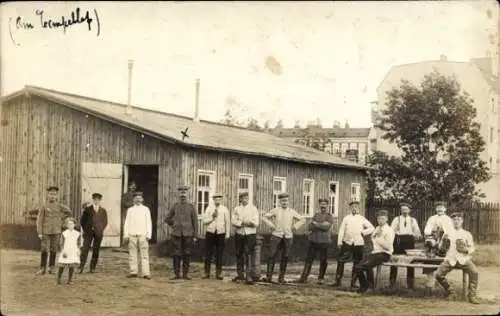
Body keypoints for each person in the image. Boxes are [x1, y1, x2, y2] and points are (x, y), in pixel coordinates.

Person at [435, 212, 479, 304]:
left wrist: (466, 250)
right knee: (438, 275)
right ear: (451, 221)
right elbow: (440, 248)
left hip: (463, 259)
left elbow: (472, 248)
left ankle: (472, 296)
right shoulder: (447, 233)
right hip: (450, 259)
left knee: (474, 272)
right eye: (454, 220)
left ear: (462, 221)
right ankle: (451, 291)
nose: (456, 222)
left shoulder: (466, 234)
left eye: (458, 220)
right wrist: (443, 242)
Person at [261, 193, 305, 283]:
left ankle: (281, 278)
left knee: (285, 256)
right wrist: (271, 225)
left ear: (288, 201)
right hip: (276, 236)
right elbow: (264, 217)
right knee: (272, 255)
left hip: (288, 237)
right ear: (279, 202)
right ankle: (269, 277)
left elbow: (303, 219)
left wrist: (295, 227)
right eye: (283, 201)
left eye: (286, 201)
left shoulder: (292, 211)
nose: (285, 202)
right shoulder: (275, 210)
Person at [333, 200, 374, 288]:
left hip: (358, 244)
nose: (354, 208)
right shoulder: (346, 218)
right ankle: (337, 281)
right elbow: (341, 230)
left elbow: (372, 228)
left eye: (356, 207)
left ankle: (353, 282)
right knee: (341, 261)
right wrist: (339, 242)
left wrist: (364, 232)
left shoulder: (362, 218)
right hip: (347, 243)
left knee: (357, 263)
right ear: (350, 208)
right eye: (352, 207)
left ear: (358, 208)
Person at [354, 209, 395, 293]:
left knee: (367, 265)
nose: (380, 220)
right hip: (375, 253)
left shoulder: (389, 230)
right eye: (379, 218)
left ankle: (371, 287)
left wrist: (378, 238)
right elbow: (373, 240)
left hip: (385, 254)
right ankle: (363, 286)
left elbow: (387, 246)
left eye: (382, 218)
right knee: (358, 267)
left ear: (387, 219)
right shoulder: (376, 228)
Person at [36, 186, 73, 275]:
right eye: (51, 194)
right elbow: (39, 220)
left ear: (57, 196)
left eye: (54, 194)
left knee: (54, 249)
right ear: (48, 195)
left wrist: (61, 219)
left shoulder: (59, 206)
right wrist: (40, 232)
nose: (53, 196)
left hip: (56, 231)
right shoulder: (44, 206)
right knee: (44, 249)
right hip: (45, 231)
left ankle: (51, 268)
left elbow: (69, 212)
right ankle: (42, 268)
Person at [165, 185, 198, 280]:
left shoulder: (191, 207)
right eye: (181, 193)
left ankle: (185, 274)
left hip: (188, 234)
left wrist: (195, 235)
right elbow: (167, 219)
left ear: (187, 194)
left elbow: (195, 222)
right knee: (176, 253)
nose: (183, 195)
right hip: (176, 234)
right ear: (178, 195)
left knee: (187, 253)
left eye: (184, 193)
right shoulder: (175, 206)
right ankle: (176, 274)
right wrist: (174, 224)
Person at [297, 198, 334, 285]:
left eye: (325, 204)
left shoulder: (329, 216)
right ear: (319, 205)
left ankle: (320, 278)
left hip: (324, 242)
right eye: (321, 204)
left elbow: (326, 227)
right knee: (309, 259)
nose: (323, 206)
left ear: (327, 205)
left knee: (323, 260)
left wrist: (316, 224)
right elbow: (310, 227)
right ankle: (304, 277)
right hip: (313, 240)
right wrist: (319, 225)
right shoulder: (316, 215)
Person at [389, 201, 422, 289]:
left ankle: (410, 284)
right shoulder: (396, 219)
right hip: (399, 240)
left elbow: (417, 231)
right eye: (403, 209)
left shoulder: (412, 220)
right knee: (395, 260)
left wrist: (417, 235)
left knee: (411, 261)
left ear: (409, 210)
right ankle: (392, 283)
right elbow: (391, 230)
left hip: (409, 241)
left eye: (406, 209)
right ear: (400, 210)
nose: (404, 211)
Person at [232, 192, 259, 284]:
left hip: (250, 235)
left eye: (247, 198)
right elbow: (234, 221)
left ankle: (249, 276)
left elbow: (255, 222)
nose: (245, 200)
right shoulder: (237, 209)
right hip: (239, 234)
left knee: (248, 254)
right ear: (240, 199)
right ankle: (240, 275)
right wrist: (241, 223)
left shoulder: (253, 209)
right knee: (239, 254)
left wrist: (245, 222)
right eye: (243, 198)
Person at [123, 191, 152, 279]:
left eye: (140, 198)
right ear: (134, 199)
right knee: (132, 254)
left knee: (144, 255)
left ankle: (146, 273)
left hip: (143, 235)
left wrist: (148, 235)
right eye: (136, 198)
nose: (138, 200)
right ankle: (133, 271)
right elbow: (127, 223)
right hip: (132, 234)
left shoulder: (146, 209)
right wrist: (126, 235)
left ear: (142, 199)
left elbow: (148, 223)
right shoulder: (130, 210)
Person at [202, 193, 231, 280]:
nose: (217, 201)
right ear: (213, 200)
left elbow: (227, 222)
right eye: (216, 199)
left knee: (219, 254)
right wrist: (212, 217)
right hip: (210, 233)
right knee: (208, 254)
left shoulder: (224, 209)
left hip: (220, 233)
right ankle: (207, 273)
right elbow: (204, 221)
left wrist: (228, 234)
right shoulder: (209, 208)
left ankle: (218, 273)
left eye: (219, 199)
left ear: (221, 200)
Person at [79, 192, 108, 273]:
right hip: (88, 233)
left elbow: (105, 222)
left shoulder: (103, 211)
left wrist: (100, 229)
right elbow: (82, 221)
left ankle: (92, 267)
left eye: (98, 200)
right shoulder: (87, 210)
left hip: (98, 233)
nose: (96, 201)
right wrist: (87, 229)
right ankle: (81, 266)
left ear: (100, 200)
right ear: (93, 200)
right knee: (85, 249)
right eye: (95, 200)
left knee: (96, 250)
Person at [57, 217, 82, 285]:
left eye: (72, 224)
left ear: (74, 225)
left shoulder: (77, 234)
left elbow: (79, 243)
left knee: (72, 265)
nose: (70, 225)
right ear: (67, 225)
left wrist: (78, 250)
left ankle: (70, 280)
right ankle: (58, 278)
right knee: (62, 264)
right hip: (66, 250)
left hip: (73, 250)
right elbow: (61, 243)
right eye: (69, 224)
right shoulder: (64, 233)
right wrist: (63, 250)